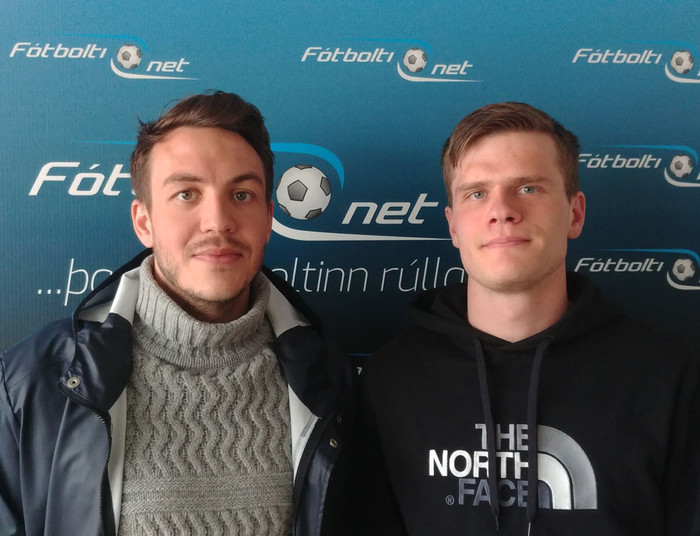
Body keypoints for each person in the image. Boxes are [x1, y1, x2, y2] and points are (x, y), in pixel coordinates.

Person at [0, 91, 353, 536]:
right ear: (143, 221)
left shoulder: (328, 378)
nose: (218, 221)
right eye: (187, 194)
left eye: (241, 194)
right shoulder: (30, 383)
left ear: (267, 220)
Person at [354, 102, 700, 535]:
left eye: (529, 188)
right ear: (454, 227)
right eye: (476, 193)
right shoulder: (391, 379)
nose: (502, 210)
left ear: (575, 213)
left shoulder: (666, 374)